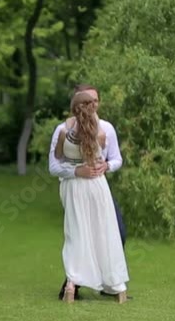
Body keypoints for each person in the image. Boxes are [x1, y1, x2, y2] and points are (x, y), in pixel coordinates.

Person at [49, 87, 129, 302]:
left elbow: (116, 159)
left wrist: (107, 166)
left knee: (110, 232)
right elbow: (54, 166)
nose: (92, 105)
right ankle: (75, 283)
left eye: (94, 100)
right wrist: (77, 170)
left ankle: (107, 283)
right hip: (82, 185)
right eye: (88, 101)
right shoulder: (64, 130)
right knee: (81, 233)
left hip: (97, 184)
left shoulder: (105, 129)